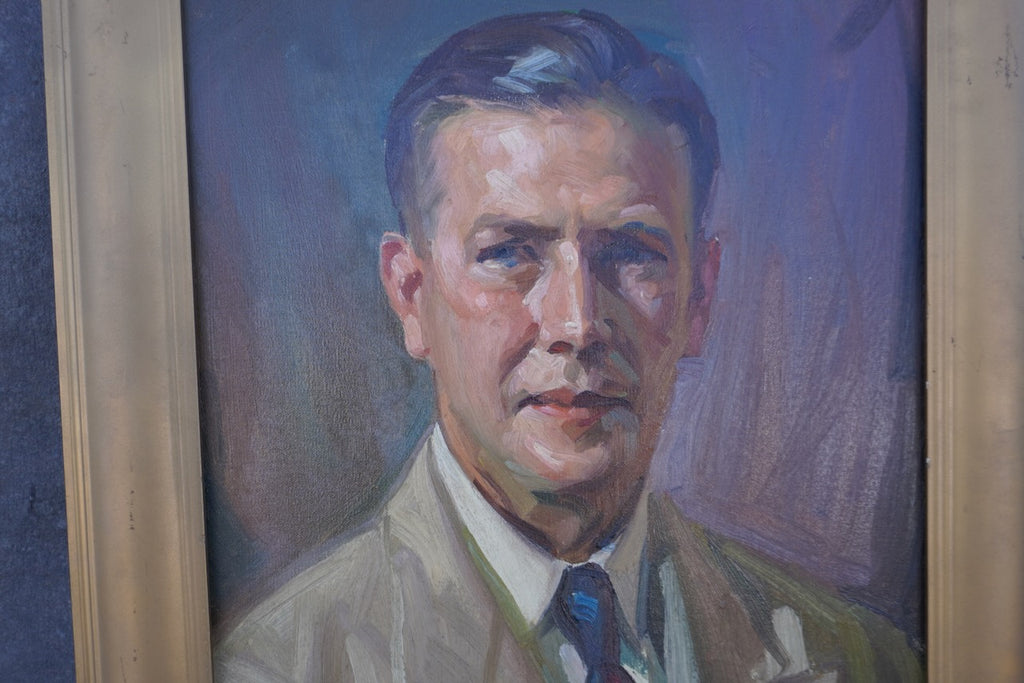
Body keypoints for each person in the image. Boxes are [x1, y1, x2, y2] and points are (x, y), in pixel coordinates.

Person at [215, 11, 921, 682]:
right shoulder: (279, 666)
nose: (578, 323)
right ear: (411, 295)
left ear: (699, 297)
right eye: (510, 251)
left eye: (631, 252)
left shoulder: (855, 659)